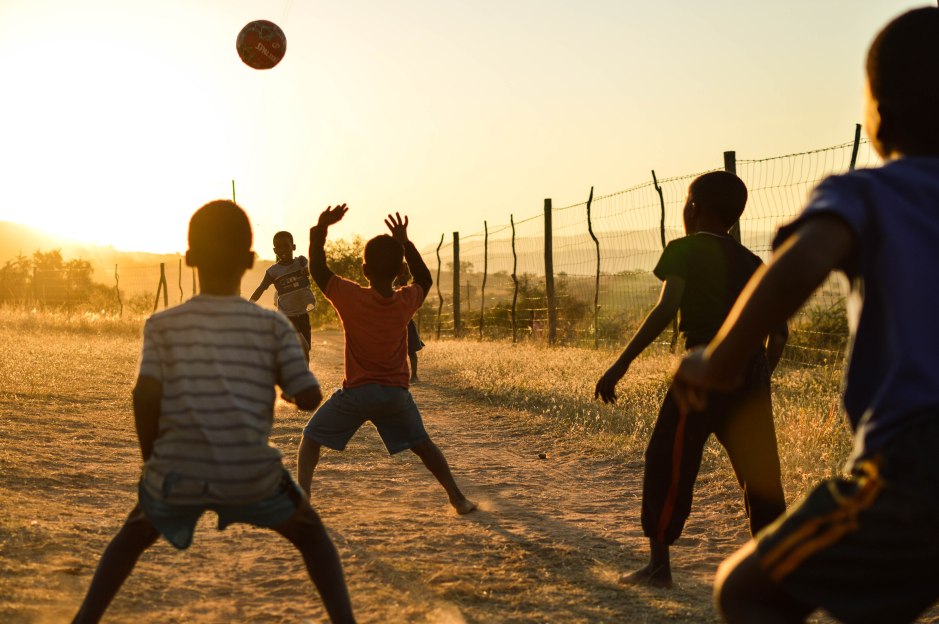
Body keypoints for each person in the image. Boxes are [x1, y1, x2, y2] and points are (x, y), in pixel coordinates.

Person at [672, 8, 939, 623]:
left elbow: (797, 266)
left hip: (916, 463)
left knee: (744, 590)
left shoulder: (869, 191)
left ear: (879, 115)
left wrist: (720, 357)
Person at [73, 201, 355, 624]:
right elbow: (309, 396)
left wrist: (154, 463)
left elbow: (144, 396)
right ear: (248, 261)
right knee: (312, 538)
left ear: (189, 260)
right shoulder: (274, 327)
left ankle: (84, 619)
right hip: (250, 471)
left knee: (132, 537)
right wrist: (298, 392)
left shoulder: (162, 325)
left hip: (176, 469)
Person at [595, 171, 788, 588]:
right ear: (735, 219)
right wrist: (758, 378)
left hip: (704, 367)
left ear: (693, 209)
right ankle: (777, 572)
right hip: (750, 370)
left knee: (670, 458)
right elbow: (780, 333)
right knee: (761, 476)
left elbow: (667, 308)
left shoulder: (682, 249)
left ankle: (659, 568)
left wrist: (622, 363)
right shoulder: (753, 262)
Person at [297, 205, 476, 515]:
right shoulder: (405, 301)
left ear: (364, 271)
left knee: (310, 439)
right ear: (399, 271)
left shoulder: (349, 296)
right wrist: (405, 242)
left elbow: (318, 269)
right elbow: (425, 279)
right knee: (423, 445)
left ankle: (303, 500)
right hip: (395, 395)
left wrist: (320, 229)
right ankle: (457, 498)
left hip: (356, 394)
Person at [250, 231, 317, 363]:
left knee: (306, 349)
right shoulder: (273, 271)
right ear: (274, 250)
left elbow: (309, 266)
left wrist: (306, 269)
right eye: (278, 247)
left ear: (293, 247)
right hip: (286, 316)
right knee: (302, 345)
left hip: (303, 314)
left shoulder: (301, 262)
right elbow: (261, 288)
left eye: (286, 246)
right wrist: (249, 304)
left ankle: (302, 375)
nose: (282, 250)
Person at [394, 264, 425, 383]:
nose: (405, 275)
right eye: (402, 272)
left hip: (407, 322)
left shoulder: (410, 288)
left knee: (411, 350)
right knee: (397, 351)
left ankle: (414, 375)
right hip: (397, 323)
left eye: (406, 273)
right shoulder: (394, 287)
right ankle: (400, 374)